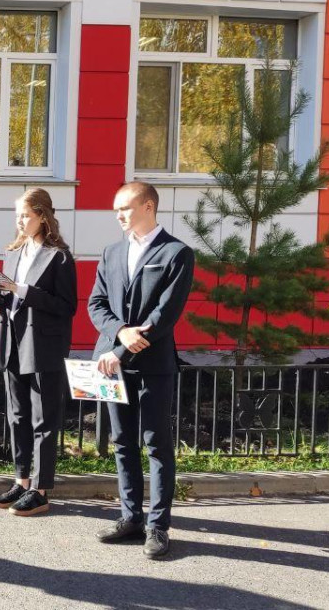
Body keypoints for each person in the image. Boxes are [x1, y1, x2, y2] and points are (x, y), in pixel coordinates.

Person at [87, 181, 193, 559]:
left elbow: (164, 315)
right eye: (116, 209)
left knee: (156, 444)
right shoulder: (112, 252)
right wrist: (119, 333)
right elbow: (96, 304)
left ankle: (158, 526)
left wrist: (122, 349)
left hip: (152, 366)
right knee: (122, 442)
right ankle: (130, 517)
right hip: (112, 365)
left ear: (148, 206)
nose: (118, 215)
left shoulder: (177, 253)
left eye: (125, 208)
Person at [0, 188, 77, 516]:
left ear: (42, 216)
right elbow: (10, 302)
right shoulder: (14, 253)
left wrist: (20, 289)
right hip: (12, 343)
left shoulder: (59, 257)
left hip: (43, 346)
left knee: (43, 420)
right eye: (17, 216)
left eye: (25, 215)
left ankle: (40, 489)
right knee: (17, 416)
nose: (19, 221)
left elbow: (66, 306)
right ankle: (21, 482)